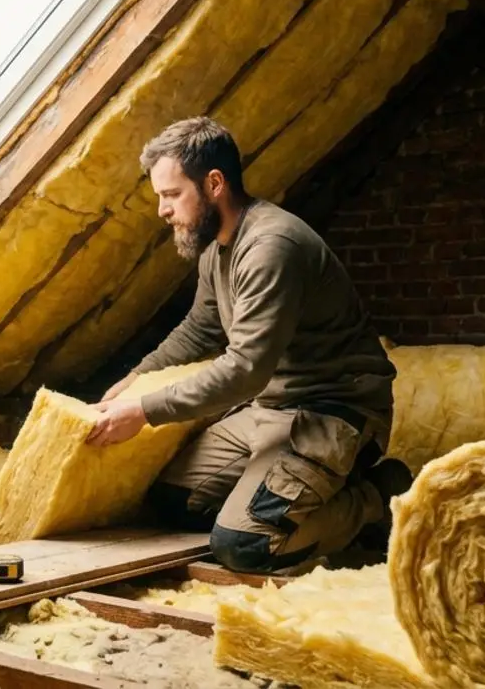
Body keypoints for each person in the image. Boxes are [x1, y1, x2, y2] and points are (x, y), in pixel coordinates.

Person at [84, 116, 404, 574]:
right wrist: (133, 382)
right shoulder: (217, 249)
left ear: (214, 183)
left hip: (335, 411)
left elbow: (244, 369)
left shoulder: (272, 245)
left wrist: (143, 411)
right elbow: (199, 330)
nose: (162, 211)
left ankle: (378, 496)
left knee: (243, 545)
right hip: (269, 408)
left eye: (172, 195)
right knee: (172, 505)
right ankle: (295, 491)